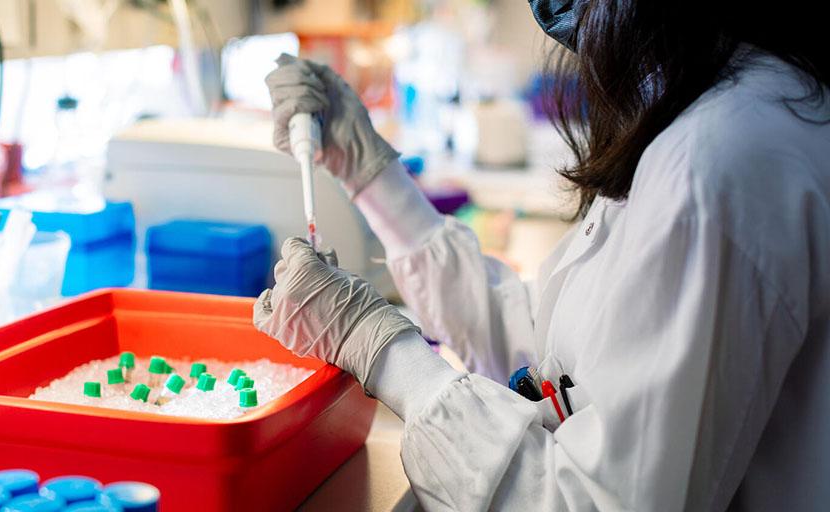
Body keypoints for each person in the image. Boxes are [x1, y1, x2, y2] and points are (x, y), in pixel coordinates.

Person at [254, 0, 830, 510]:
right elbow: (551, 355)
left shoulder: (714, 162)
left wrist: (383, 351)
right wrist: (371, 174)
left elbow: (590, 501)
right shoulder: (720, 102)